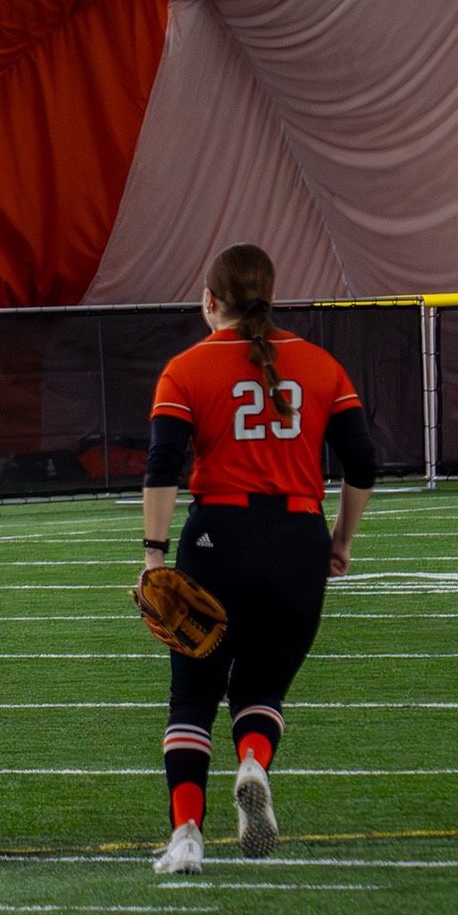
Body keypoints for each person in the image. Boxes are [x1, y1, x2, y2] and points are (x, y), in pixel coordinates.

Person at [140, 243, 376, 874]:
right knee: (261, 688)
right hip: (298, 537)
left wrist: (153, 554)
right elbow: (364, 464)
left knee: (192, 699)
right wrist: (341, 541)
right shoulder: (322, 365)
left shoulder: (186, 368)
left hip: (217, 539)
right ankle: (251, 761)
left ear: (210, 300)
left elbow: (163, 464)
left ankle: (186, 835)